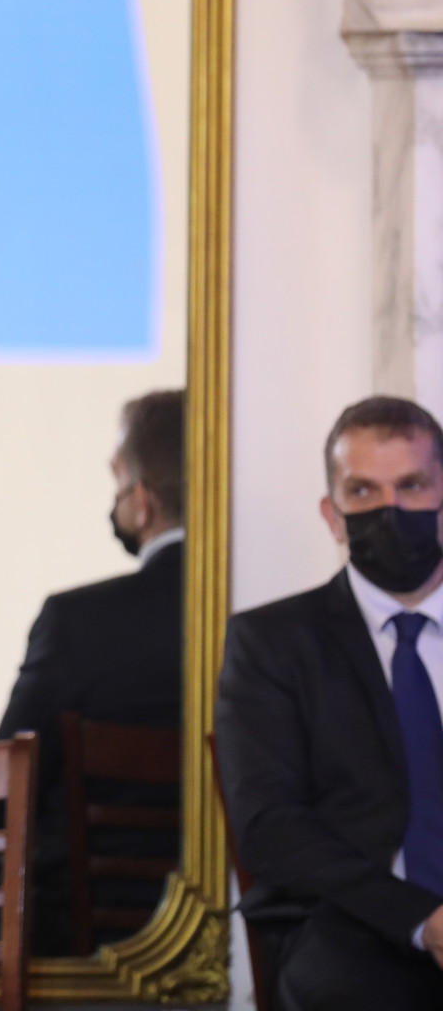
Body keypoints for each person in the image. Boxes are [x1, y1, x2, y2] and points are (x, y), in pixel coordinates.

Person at [216, 396, 443, 1010]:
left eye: (412, 486)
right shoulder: (272, 643)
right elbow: (268, 826)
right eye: (363, 491)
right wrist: (423, 920)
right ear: (333, 515)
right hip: (354, 927)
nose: (391, 511)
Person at [0, 388, 187, 955]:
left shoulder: (78, 621)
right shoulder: (267, 617)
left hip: (70, 935)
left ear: (143, 501)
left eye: (117, 478)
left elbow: (3, 790)